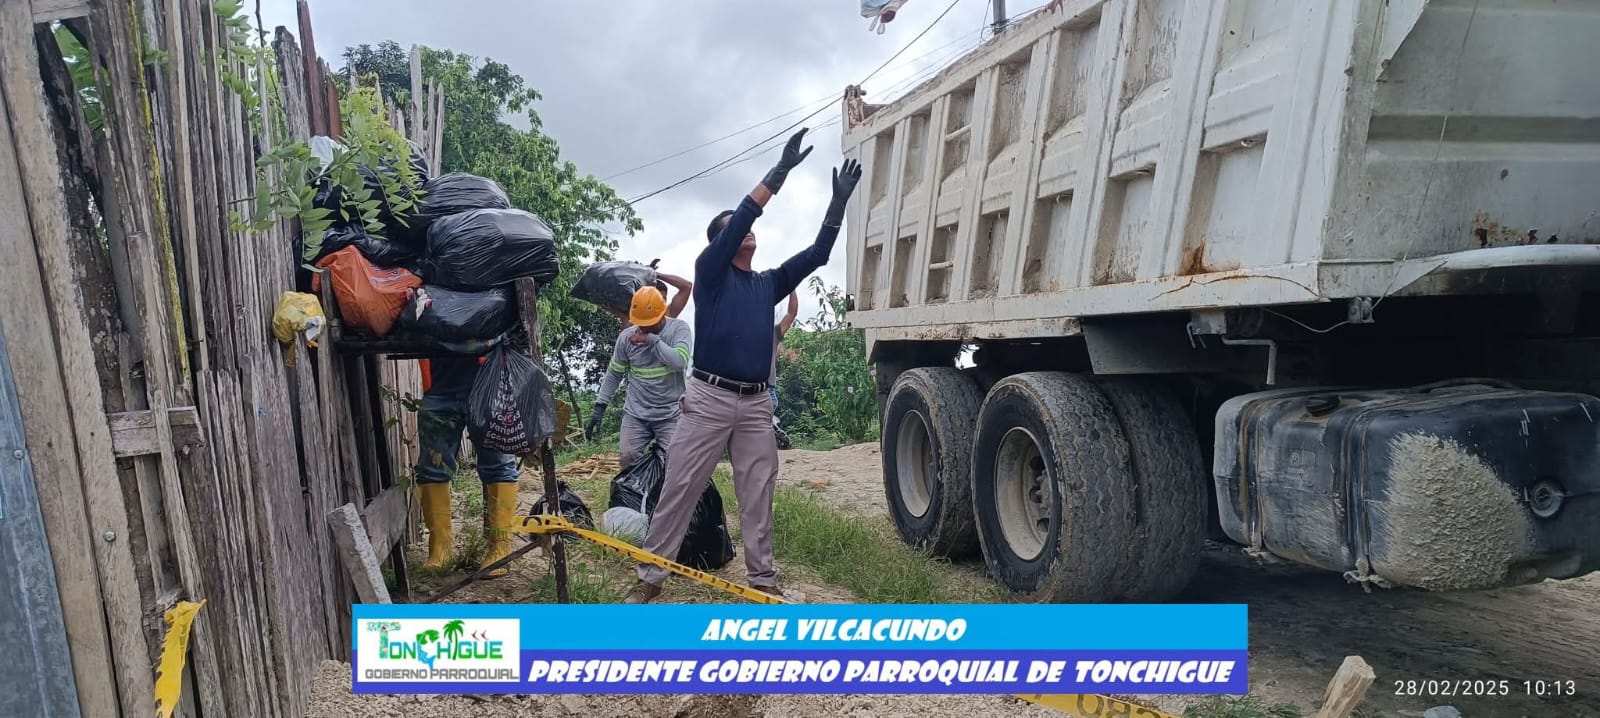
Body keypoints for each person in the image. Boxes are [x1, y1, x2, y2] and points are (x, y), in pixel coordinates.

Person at [623, 128, 862, 603]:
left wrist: (838, 203)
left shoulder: (767, 284)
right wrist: (780, 172)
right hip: (708, 398)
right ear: (722, 242)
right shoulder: (710, 274)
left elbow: (818, 255)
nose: (746, 229)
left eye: (746, 226)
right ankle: (650, 577)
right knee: (680, 486)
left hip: (755, 406)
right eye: (734, 227)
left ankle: (763, 581)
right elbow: (745, 215)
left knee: (758, 493)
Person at [415, 356, 521, 577]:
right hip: (439, 386)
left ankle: (500, 548)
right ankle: (440, 549)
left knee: (499, 465)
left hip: (492, 384)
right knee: (432, 469)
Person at [586, 286, 694, 469]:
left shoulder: (679, 329)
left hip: (670, 415)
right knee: (628, 458)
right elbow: (614, 373)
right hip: (636, 415)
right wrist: (600, 407)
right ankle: (635, 489)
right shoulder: (626, 338)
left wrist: (651, 340)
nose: (643, 327)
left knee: (674, 463)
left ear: (662, 314)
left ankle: (665, 488)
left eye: (649, 323)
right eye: (641, 323)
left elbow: (679, 361)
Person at [770, 292, 799, 448]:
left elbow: (791, 313)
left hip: (763, 391)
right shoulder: (772, 334)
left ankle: (773, 433)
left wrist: (791, 287)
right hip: (762, 391)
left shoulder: (772, 333)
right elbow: (791, 314)